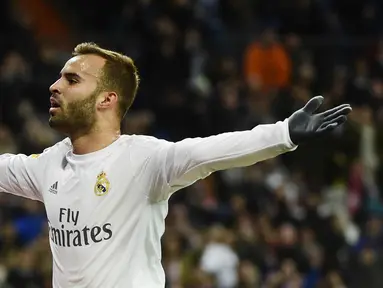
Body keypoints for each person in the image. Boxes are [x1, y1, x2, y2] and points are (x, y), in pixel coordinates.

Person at [0, 42, 352, 288]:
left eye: (71, 79)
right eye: (60, 77)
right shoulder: (49, 165)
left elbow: (211, 151)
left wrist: (284, 132)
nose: (55, 85)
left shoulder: (143, 159)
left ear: (107, 99)